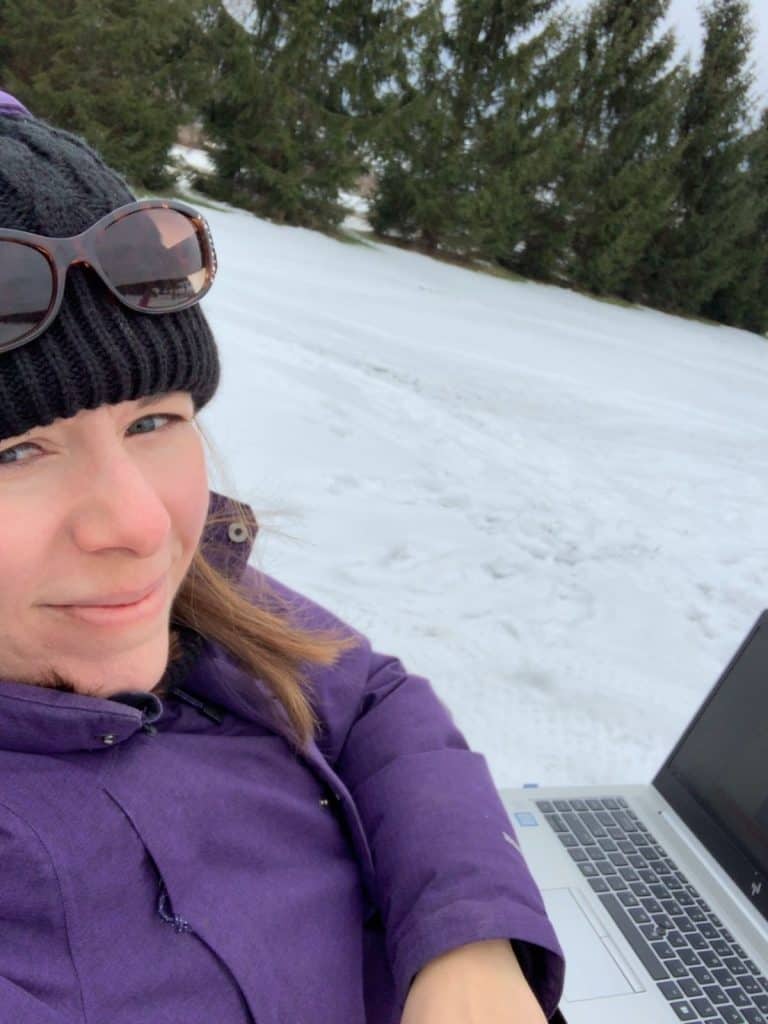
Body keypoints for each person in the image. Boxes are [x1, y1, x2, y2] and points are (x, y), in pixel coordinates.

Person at [0, 91, 565, 1024]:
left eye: (154, 422)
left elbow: (371, 697)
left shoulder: (195, 600)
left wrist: (469, 941)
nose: (139, 527)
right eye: (15, 451)